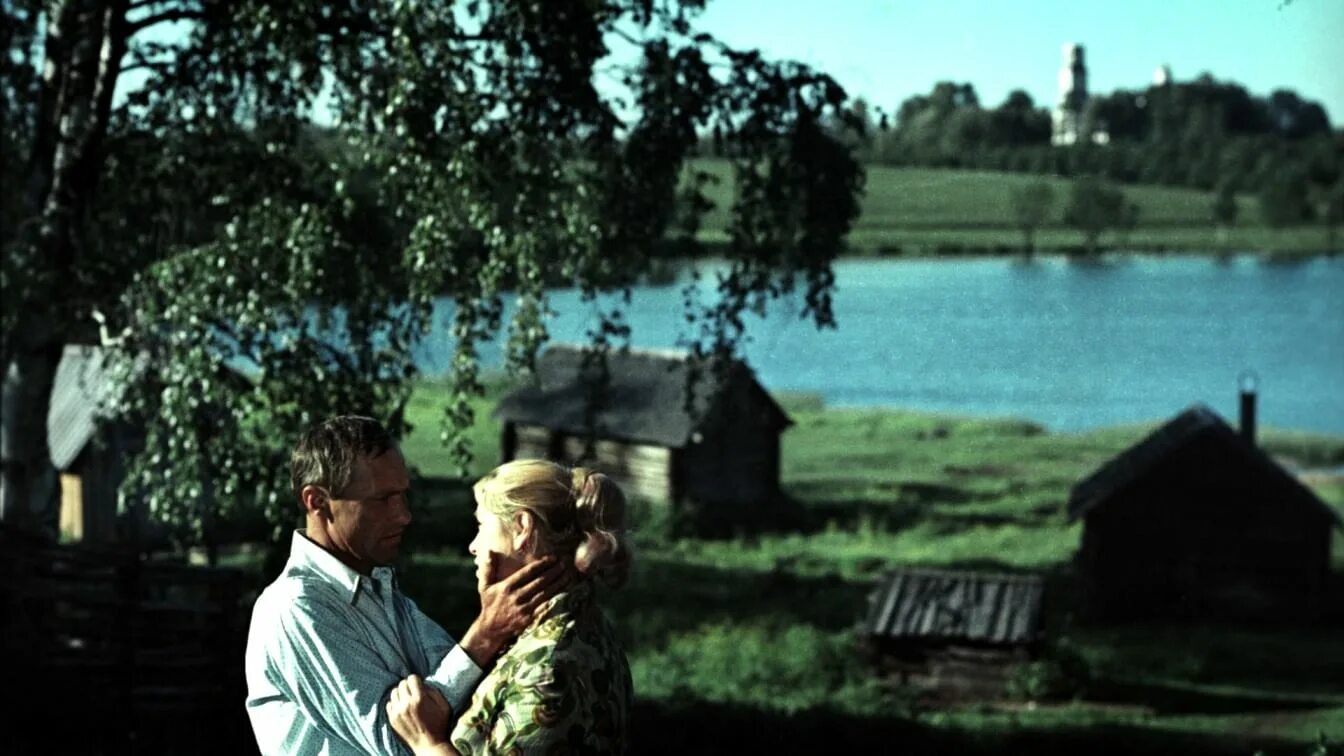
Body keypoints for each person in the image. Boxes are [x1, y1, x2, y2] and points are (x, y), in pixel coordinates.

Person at [245, 416, 568, 756]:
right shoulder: (295, 608)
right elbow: (399, 744)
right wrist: (486, 632)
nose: (403, 515)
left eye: (402, 495)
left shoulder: (377, 586)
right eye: (382, 499)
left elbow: (460, 691)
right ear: (317, 501)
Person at [384, 459, 634, 755]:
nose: (473, 546)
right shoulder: (585, 625)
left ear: (521, 528)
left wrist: (426, 741)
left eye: (481, 526)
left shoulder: (547, 669)